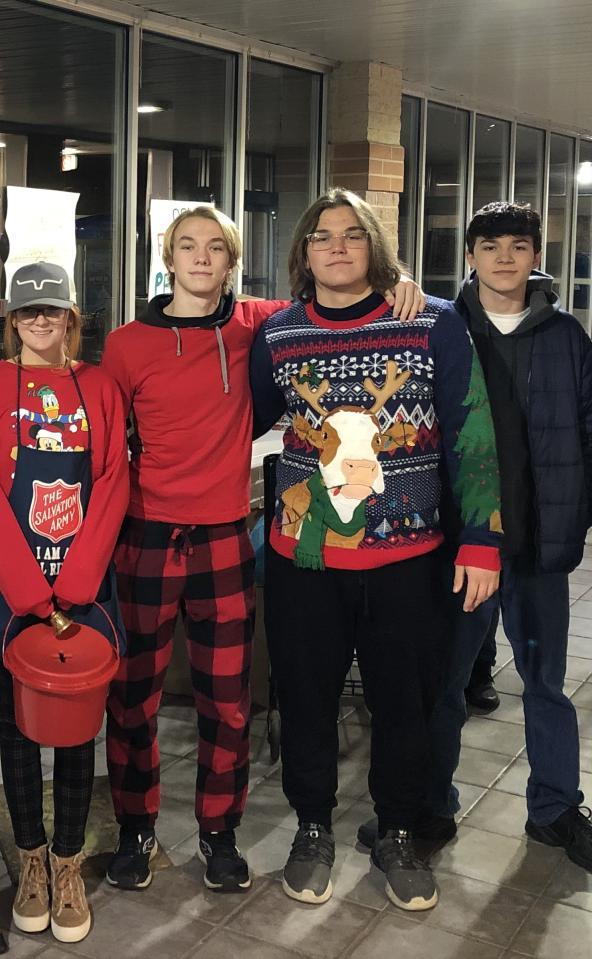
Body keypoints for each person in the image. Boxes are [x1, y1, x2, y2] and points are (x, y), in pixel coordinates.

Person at [98, 205, 425, 892]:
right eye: (188, 246)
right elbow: (107, 444)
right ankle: (135, 829)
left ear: (232, 260)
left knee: (227, 702)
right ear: (168, 257)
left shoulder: (261, 326)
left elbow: (338, 299)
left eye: (216, 247)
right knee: (132, 699)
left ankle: (220, 833)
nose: (201, 257)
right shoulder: (126, 345)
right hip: (146, 537)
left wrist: (400, 284)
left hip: (223, 536)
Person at [249, 188, 502, 912]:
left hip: (408, 561)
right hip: (306, 561)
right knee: (306, 702)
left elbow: (472, 431)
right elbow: (240, 410)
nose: (337, 247)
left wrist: (483, 540)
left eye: (352, 235)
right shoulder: (277, 335)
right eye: (321, 236)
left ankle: (397, 831)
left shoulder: (433, 322)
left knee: (406, 706)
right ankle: (311, 829)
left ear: (375, 248)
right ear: (303, 253)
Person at [358, 202, 592, 871]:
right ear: (470, 255)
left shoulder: (567, 337)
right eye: (490, 246)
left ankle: (555, 808)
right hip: (461, 543)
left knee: (546, 684)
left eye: (518, 245)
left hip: (539, 544)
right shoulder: (440, 326)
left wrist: (575, 515)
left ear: (535, 255)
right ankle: (433, 803)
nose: (504, 258)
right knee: (446, 683)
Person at [0, 262, 128, 943]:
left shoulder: (101, 388)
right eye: (28, 311)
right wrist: (28, 589)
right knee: (21, 729)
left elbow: (113, 481)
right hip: (13, 586)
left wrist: (77, 579)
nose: (39, 321)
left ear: (70, 317)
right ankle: (31, 861)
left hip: (84, 583)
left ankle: (67, 865)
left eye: (51, 310)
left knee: (79, 728)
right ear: (12, 321)